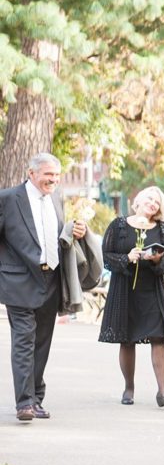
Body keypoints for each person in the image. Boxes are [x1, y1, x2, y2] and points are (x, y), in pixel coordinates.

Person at [0, 153, 87, 421]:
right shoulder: (8, 199)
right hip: (18, 281)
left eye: (57, 175)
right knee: (24, 341)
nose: (54, 180)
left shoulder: (55, 199)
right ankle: (24, 403)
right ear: (31, 173)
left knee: (42, 343)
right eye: (49, 174)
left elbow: (56, 236)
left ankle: (36, 398)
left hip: (51, 280)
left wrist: (75, 232)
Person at [98, 186, 164, 406]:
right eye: (150, 199)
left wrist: (157, 260)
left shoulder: (162, 229)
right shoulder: (119, 225)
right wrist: (127, 257)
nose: (153, 204)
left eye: (157, 202)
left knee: (159, 337)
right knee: (127, 339)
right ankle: (129, 387)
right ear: (139, 200)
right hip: (125, 289)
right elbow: (106, 256)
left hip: (152, 289)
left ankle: (163, 391)